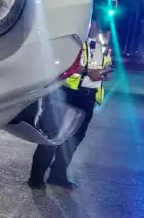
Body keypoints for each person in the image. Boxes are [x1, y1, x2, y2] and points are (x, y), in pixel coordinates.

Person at [28, 19, 111, 190]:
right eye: (95, 22)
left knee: (75, 137)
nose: (97, 27)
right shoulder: (73, 40)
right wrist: (89, 72)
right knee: (52, 135)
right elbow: (64, 62)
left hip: (88, 96)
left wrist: (105, 73)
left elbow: (104, 63)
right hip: (66, 93)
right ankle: (36, 177)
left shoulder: (100, 43)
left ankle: (58, 175)